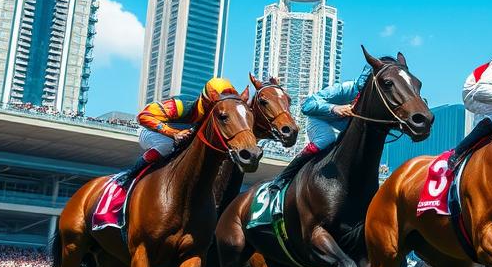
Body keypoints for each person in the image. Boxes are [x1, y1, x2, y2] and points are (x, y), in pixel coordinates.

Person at [108, 77, 242, 190]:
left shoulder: (211, 119)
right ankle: (131, 174)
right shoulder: (180, 105)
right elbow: (143, 116)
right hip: (150, 132)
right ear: (208, 100)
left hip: (180, 137)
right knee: (167, 144)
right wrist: (173, 133)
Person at [264, 69, 376, 195]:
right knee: (327, 139)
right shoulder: (345, 89)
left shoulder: (373, 99)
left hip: (343, 124)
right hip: (319, 118)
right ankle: (283, 177)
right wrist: (334, 108)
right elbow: (306, 106)